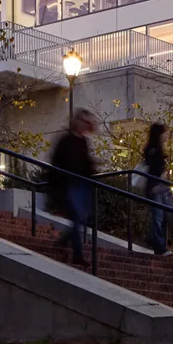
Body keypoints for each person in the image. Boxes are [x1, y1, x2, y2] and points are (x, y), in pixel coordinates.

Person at [49, 109, 98, 265]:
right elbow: (56, 163)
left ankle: (64, 240)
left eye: (88, 123)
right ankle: (77, 254)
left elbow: (85, 163)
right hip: (70, 183)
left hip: (83, 183)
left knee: (82, 218)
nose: (86, 126)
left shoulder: (83, 141)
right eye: (84, 122)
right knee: (78, 217)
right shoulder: (66, 140)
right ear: (77, 121)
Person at [141, 122, 173, 257]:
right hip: (155, 187)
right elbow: (151, 169)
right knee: (158, 216)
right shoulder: (153, 150)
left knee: (163, 216)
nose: (166, 136)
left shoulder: (157, 150)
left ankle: (157, 242)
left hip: (161, 186)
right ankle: (158, 246)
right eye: (164, 133)